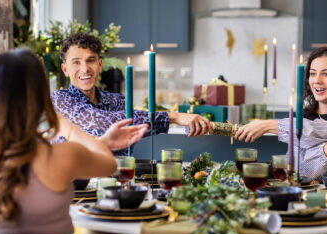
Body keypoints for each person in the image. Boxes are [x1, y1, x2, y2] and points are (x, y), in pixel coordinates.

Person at [0, 49, 148, 234]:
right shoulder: (60, 156)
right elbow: (109, 164)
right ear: (39, 96)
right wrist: (66, 126)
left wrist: (104, 141)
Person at [51, 33, 212, 156]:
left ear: (99, 65)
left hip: (118, 184)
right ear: (65, 69)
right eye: (76, 62)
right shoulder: (59, 100)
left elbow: (135, 129)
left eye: (90, 60)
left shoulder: (116, 101)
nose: (85, 68)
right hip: (75, 189)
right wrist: (174, 117)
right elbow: (101, 122)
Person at [235, 47, 327, 179]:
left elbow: (325, 129)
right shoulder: (298, 117)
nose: (317, 80)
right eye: (312, 73)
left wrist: (269, 125)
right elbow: (300, 168)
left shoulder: (295, 122)